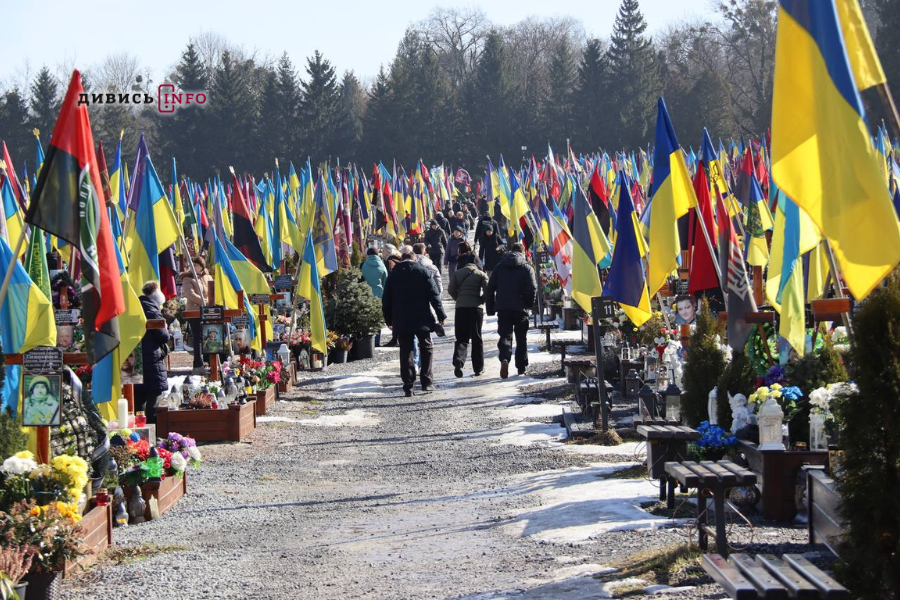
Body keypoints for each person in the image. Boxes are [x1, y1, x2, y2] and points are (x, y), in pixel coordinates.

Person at [382, 250, 446, 397]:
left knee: (406, 351)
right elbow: (434, 295)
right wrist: (441, 315)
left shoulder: (393, 274)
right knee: (426, 347)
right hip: (422, 318)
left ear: (402, 259)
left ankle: (408, 385)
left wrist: (389, 320)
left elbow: (386, 300)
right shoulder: (423, 272)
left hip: (401, 319)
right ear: (415, 259)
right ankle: (426, 381)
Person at [486, 242, 537, 379]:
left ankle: (504, 359)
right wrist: (529, 304)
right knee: (521, 338)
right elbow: (532, 288)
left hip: (503, 308)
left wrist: (490, 308)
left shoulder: (500, 267)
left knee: (505, 335)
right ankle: (521, 367)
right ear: (523, 252)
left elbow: (490, 288)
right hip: (521, 308)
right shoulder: (527, 268)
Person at [449, 243, 488, 377]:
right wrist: (481, 300)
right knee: (477, 338)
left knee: (461, 337)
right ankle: (478, 367)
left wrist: (458, 298)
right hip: (476, 308)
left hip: (461, 308)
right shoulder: (480, 274)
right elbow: (488, 290)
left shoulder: (457, 273)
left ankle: (459, 361)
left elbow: (451, 289)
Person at [134, 281, 170, 423]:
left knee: (137, 398)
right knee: (153, 399)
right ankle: (152, 427)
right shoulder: (153, 311)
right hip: (152, 359)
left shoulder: (135, 306)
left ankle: (138, 428)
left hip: (134, 357)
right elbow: (163, 336)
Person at [180, 255, 213, 374]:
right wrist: (206, 302)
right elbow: (190, 295)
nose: (193, 267)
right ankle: (198, 364)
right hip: (194, 312)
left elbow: (212, 291)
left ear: (202, 267)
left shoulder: (208, 277)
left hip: (208, 312)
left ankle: (210, 363)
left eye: (196, 265)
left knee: (209, 336)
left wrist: (212, 303)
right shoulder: (187, 278)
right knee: (198, 338)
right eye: (192, 265)